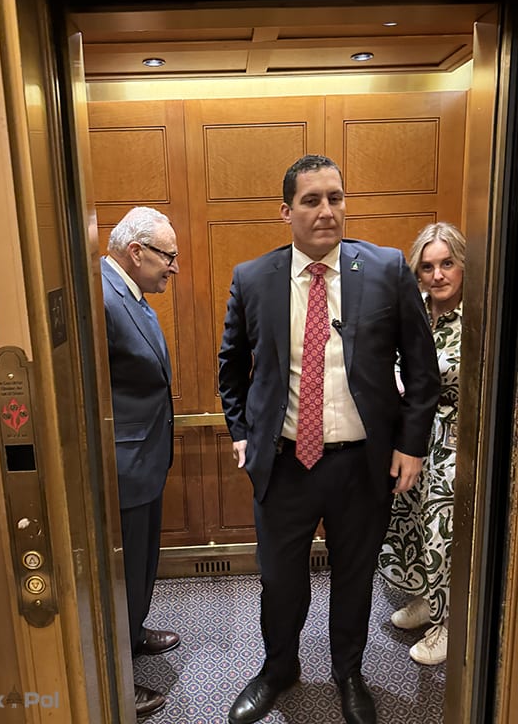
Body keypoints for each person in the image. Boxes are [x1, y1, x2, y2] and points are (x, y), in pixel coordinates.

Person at [218, 154, 441, 724]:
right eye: (312, 200)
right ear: (286, 210)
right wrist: (242, 433)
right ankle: (278, 668)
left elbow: (422, 370)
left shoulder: (388, 269)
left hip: (360, 465)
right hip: (285, 463)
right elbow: (231, 368)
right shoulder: (252, 278)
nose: (326, 211)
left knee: (354, 577)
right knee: (279, 580)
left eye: (335, 198)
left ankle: (348, 672)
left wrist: (411, 445)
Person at [101, 206, 181, 718]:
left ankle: (134, 635)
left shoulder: (128, 292)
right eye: (168, 257)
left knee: (142, 563)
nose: (172, 268)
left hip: (145, 457)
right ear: (137, 252)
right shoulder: (103, 299)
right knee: (123, 573)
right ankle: (119, 682)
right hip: (123, 465)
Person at [378, 222, 465, 666]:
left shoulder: (479, 319)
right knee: (410, 524)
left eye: (447, 263)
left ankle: (450, 623)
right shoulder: (416, 311)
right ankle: (426, 601)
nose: (438, 275)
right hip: (413, 436)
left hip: (455, 441)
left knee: (441, 535)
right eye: (427, 266)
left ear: (463, 265)